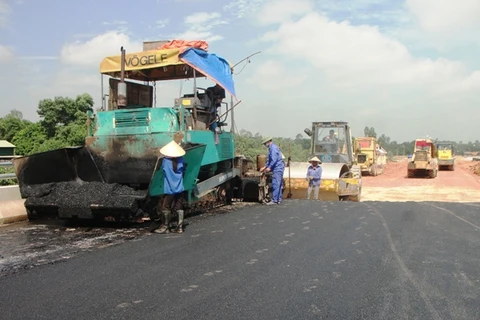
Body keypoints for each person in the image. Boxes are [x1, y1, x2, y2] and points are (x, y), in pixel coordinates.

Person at [153, 140, 187, 234]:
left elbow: (162, 171)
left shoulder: (166, 161)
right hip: (179, 187)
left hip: (169, 189)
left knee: (166, 207)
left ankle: (166, 226)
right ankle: (180, 227)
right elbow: (183, 169)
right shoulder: (181, 160)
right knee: (179, 206)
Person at [259, 137, 285, 205]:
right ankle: (278, 199)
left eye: (265, 143)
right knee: (278, 183)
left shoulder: (273, 148)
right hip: (277, 167)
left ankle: (275, 200)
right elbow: (269, 160)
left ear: (268, 142)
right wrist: (265, 167)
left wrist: (269, 168)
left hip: (277, 167)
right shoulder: (271, 148)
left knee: (276, 183)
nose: (265, 145)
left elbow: (274, 160)